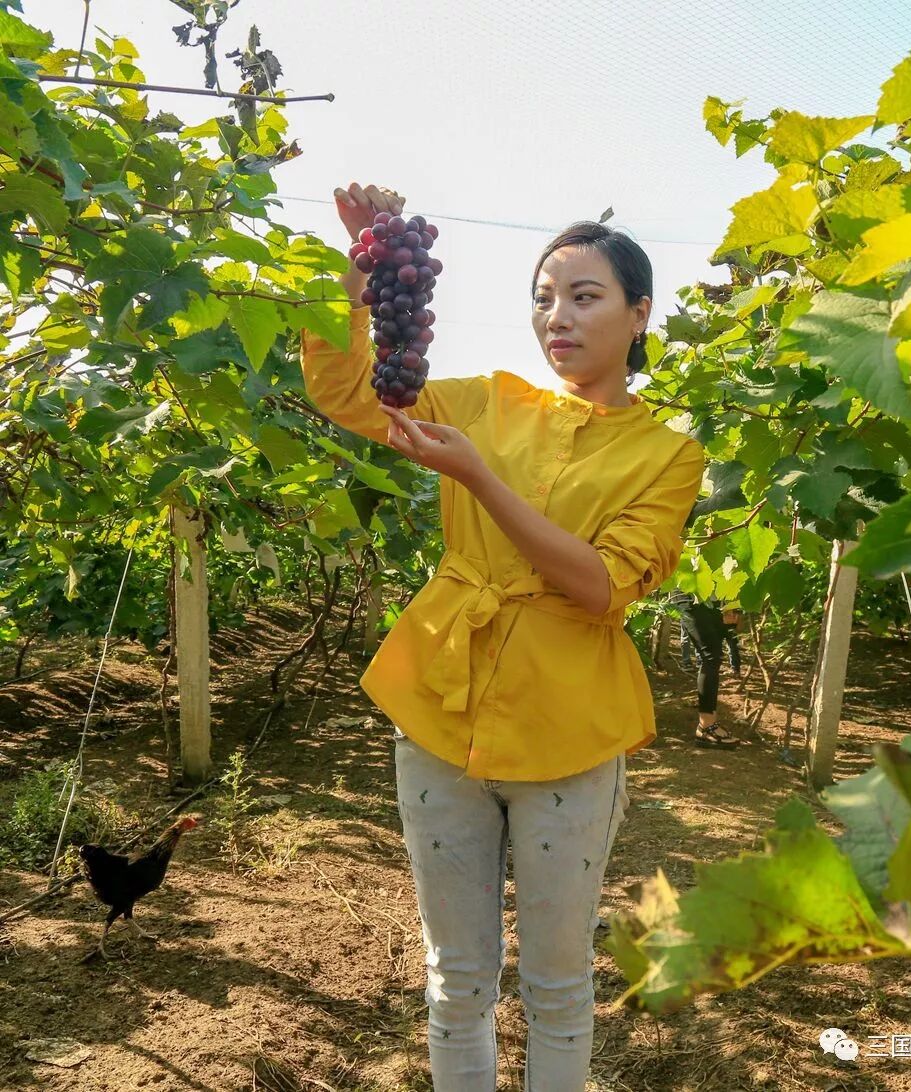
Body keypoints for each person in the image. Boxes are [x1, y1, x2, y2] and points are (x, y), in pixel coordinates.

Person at [301, 181, 704, 1092]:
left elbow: (602, 585)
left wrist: (482, 482)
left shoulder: (668, 454)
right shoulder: (487, 400)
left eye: (585, 296)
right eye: (543, 296)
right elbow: (346, 393)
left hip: (568, 732)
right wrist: (361, 268)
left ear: (640, 313)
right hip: (439, 704)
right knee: (455, 982)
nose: (556, 316)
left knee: (558, 986)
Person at [673, 592, 741, 748]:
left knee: (714, 657)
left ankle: (710, 723)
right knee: (710, 657)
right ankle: (706, 726)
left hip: (712, 598)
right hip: (692, 597)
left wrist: (729, 604)